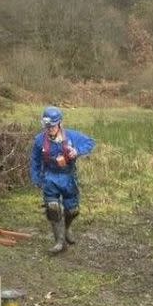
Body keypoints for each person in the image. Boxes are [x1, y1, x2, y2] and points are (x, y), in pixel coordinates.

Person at [30, 106, 96, 254]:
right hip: (50, 177)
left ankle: (66, 229)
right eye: (47, 126)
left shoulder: (72, 136)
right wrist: (36, 179)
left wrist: (77, 151)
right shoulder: (39, 140)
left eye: (52, 126)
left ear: (59, 123)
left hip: (68, 177)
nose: (50, 129)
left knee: (73, 210)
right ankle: (59, 242)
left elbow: (90, 142)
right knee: (53, 209)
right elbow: (34, 161)